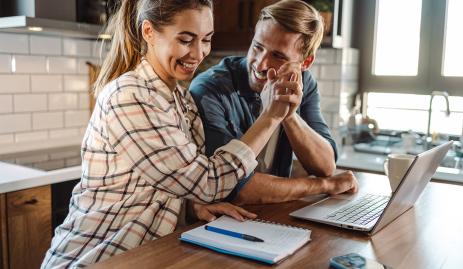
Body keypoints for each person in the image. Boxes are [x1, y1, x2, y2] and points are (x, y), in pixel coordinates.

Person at [41, 0, 295, 267]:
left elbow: (155, 188)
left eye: (206, 39)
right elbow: (208, 182)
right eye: (186, 40)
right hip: (92, 258)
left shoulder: (178, 99)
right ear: (149, 32)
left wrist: (191, 207)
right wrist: (270, 117)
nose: (198, 53)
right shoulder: (130, 96)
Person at [190, 0, 358, 205]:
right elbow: (231, 187)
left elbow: (325, 166)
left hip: (273, 215)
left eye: (278, 56)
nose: (261, 64)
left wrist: (289, 115)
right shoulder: (210, 89)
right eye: (257, 47)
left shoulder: (303, 84)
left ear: (304, 63)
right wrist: (325, 186)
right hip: (220, 222)